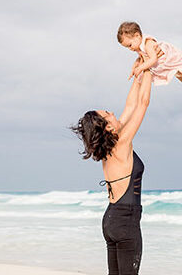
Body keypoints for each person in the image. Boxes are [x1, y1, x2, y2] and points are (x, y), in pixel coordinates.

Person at [70, 69, 153, 275]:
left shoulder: (109, 147)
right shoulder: (122, 143)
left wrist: (139, 75)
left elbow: (131, 105)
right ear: (107, 127)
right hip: (125, 222)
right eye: (109, 114)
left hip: (111, 221)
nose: (114, 113)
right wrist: (151, 69)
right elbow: (142, 104)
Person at [117, 21, 182, 118]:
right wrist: (135, 65)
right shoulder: (138, 46)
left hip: (176, 61)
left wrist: (141, 67)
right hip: (168, 65)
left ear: (137, 35)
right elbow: (140, 57)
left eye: (129, 45)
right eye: (127, 47)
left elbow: (153, 59)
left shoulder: (148, 43)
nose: (130, 49)